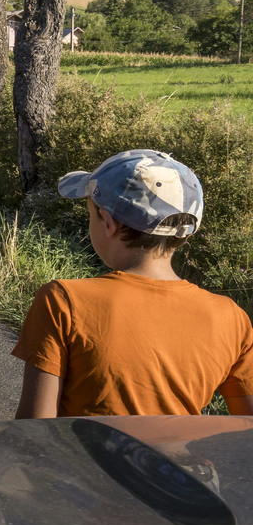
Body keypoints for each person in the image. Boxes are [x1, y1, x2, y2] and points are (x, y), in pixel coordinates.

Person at [13, 149, 253, 418]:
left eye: (91, 214)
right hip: (175, 462)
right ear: (185, 235)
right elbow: (247, 427)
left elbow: (33, 430)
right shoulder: (231, 318)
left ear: (108, 223)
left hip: (85, 461)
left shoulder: (63, 300)